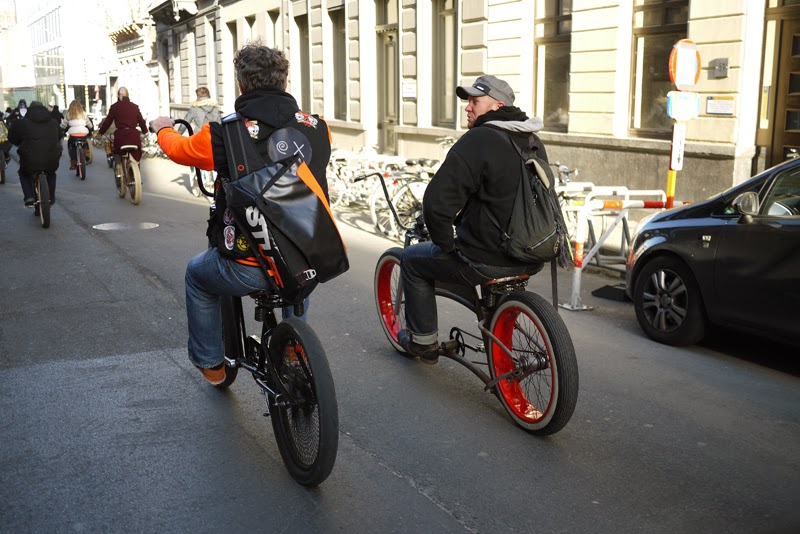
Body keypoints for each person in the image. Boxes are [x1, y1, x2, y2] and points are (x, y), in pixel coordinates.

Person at [149, 44, 332, 385]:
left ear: (241, 84)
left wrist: (163, 128)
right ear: (285, 81)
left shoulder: (225, 133)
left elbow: (180, 150)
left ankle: (212, 363)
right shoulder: (318, 127)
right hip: (314, 256)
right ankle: (295, 348)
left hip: (250, 264)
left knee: (196, 275)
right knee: (297, 276)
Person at [397, 75, 547, 364]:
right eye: (468, 101)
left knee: (412, 260)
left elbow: (437, 203)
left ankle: (423, 343)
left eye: (475, 102)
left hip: (487, 258)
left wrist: (445, 244)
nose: (468, 107)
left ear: (498, 105)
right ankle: (496, 326)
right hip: (531, 253)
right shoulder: (531, 138)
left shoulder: (479, 139)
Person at [8, 100, 62, 207]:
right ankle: (51, 198)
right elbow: (59, 136)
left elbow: (12, 138)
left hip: (29, 159)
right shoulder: (53, 122)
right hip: (50, 159)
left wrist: (20, 143)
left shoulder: (21, 122)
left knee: (24, 173)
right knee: (51, 174)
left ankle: (29, 197)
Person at [95, 87, 147, 181]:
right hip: (133, 135)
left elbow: (107, 122)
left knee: (116, 151)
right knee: (136, 152)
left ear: (118, 96)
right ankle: (136, 173)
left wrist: (100, 132)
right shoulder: (135, 107)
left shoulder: (114, 107)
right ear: (128, 95)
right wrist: (145, 131)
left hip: (121, 135)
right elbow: (141, 121)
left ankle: (118, 165)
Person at [64, 100, 94, 170]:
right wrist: (91, 128)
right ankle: (86, 152)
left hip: (73, 134)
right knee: (85, 141)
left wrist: (61, 129)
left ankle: (73, 163)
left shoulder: (69, 114)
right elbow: (89, 124)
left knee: (71, 146)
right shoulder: (83, 113)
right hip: (83, 133)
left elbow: (64, 124)